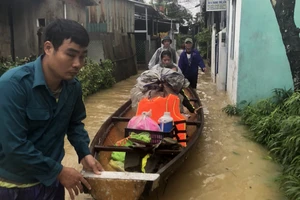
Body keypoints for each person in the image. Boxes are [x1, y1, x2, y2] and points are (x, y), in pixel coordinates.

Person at [0, 19, 103, 200]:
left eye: (82, 56)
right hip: (13, 188)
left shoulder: (73, 87)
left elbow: (74, 124)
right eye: (71, 55)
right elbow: (14, 146)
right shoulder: (13, 85)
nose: (78, 64)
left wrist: (84, 153)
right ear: (48, 48)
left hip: (52, 184)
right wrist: (59, 171)